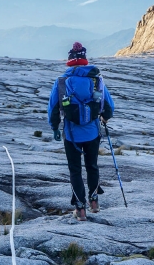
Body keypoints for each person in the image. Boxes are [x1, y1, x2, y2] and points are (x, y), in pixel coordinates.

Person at [48, 42, 114, 221]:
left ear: (69, 61)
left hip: (71, 135)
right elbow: (109, 107)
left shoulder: (61, 82)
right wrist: (103, 118)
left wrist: (54, 127)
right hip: (92, 133)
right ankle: (94, 202)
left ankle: (80, 209)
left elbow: (53, 108)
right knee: (92, 166)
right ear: (84, 60)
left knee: (75, 170)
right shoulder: (96, 80)